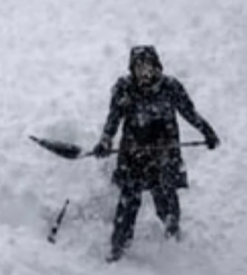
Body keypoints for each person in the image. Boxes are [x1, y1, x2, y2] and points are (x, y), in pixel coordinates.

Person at [92, 45, 220, 263]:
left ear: (156, 66)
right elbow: (113, 120)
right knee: (127, 205)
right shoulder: (124, 88)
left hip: (164, 157)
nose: (144, 71)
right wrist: (105, 141)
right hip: (132, 157)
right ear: (132, 69)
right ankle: (118, 250)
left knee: (167, 204)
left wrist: (207, 131)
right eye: (138, 66)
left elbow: (189, 112)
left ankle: (173, 246)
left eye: (148, 65)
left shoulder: (170, 87)